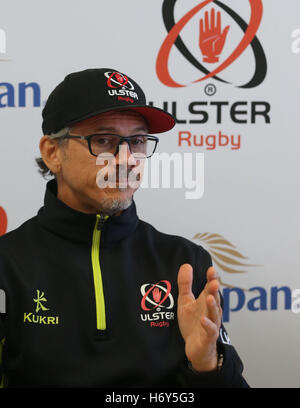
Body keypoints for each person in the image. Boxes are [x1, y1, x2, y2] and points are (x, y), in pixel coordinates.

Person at [0, 68, 248, 388]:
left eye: (138, 141)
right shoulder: (7, 265)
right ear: (52, 153)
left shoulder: (185, 262)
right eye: (104, 140)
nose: (127, 159)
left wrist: (207, 366)